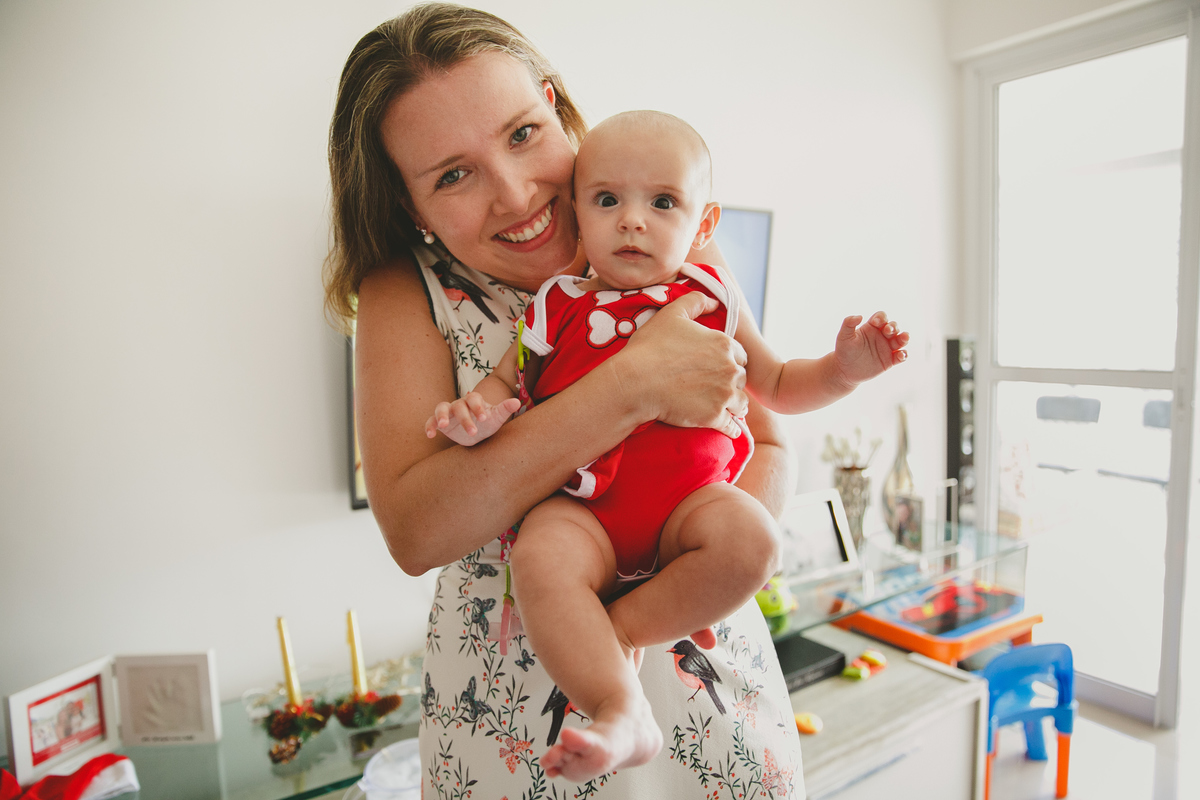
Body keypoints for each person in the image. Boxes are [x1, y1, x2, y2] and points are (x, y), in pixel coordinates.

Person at [324, 4, 855, 797]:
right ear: (409, 204)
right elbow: (416, 530)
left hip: (702, 669)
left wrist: (693, 572)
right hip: (517, 708)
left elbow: (770, 441)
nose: (514, 195)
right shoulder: (405, 292)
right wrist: (631, 386)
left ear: (553, 103)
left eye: (522, 133)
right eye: (453, 175)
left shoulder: (667, 233)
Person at [423, 110, 908, 781]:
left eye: (662, 203)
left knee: (754, 540)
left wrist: (844, 369)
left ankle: (622, 633)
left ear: (703, 225)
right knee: (539, 558)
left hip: (688, 507)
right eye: (607, 201)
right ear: (577, 214)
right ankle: (619, 709)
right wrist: (475, 414)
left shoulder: (712, 295)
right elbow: (505, 381)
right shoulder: (556, 304)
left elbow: (778, 387)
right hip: (586, 511)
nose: (631, 220)